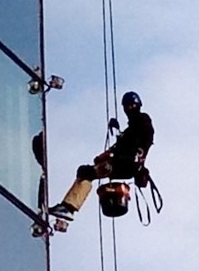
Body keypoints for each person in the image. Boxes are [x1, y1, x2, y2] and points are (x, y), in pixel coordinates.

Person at [49, 91, 154, 223]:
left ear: (138, 105)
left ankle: (69, 208)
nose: (129, 109)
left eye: (132, 105)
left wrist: (112, 151)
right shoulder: (135, 128)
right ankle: (68, 207)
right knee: (87, 172)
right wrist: (105, 154)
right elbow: (125, 145)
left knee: (87, 172)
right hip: (125, 164)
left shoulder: (141, 123)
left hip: (124, 164)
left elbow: (130, 145)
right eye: (127, 106)